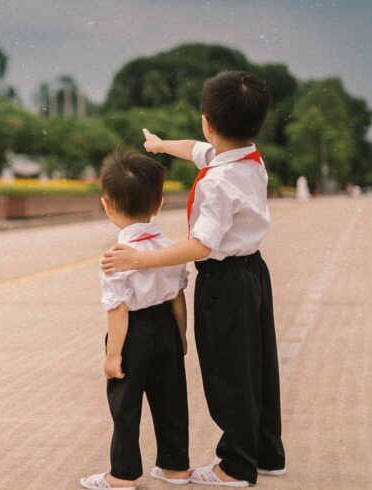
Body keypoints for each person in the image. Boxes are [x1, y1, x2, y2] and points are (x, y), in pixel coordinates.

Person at [101, 70, 286, 488]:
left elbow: (201, 245)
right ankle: (266, 451)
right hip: (254, 272)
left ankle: (235, 466)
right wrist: (161, 146)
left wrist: (140, 261)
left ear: (207, 120)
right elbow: (197, 150)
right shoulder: (247, 159)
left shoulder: (219, 181)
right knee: (258, 364)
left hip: (226, 282)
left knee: (227, 372)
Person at [80, 150, 191, 489]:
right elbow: (177, 295)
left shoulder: (116, 258)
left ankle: (122, 474)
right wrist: (181, 335)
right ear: (159, 203)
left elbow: (118, 311)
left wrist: (113, 355)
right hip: (166, 330)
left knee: (125, 405)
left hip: (134, 335)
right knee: (171, 399)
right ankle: (176, 467)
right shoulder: (169, 247)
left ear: (107, 204)